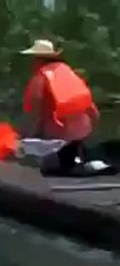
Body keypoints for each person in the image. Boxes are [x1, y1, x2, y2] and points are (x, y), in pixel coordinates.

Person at [20, 39, 100, 172]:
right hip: (81, 136)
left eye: (33, 59)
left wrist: (29, 135)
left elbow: (35, 112)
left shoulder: (40, 78)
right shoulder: (70, 74)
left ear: (39, 60)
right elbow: (93, 111)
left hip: (57, 140)